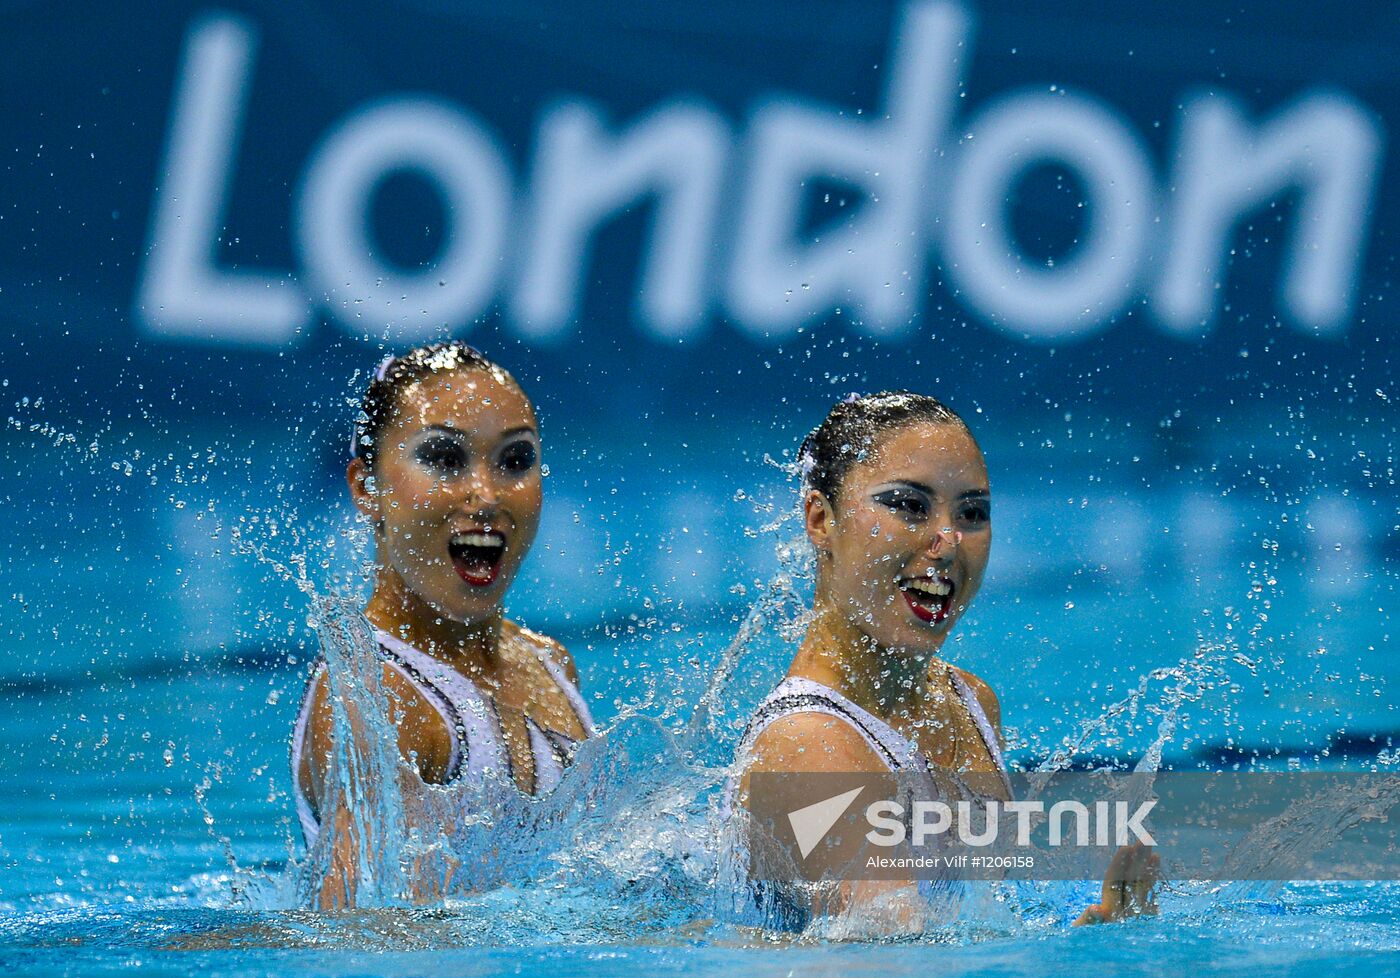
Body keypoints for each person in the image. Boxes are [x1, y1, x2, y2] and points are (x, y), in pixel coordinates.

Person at [731, 391, 1158, 931]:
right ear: (820, 519)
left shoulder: (970, 703)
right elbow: (894, 956)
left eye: (972, 513)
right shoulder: (808, 745)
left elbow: (972, 924)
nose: (949, 541)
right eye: (909, 505)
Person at [290, 341, 594, 909]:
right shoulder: (373, 696)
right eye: (445, 459)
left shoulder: (549, 663)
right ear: (366, 488)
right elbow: (352, 937)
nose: (487, 494)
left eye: (515, 461)